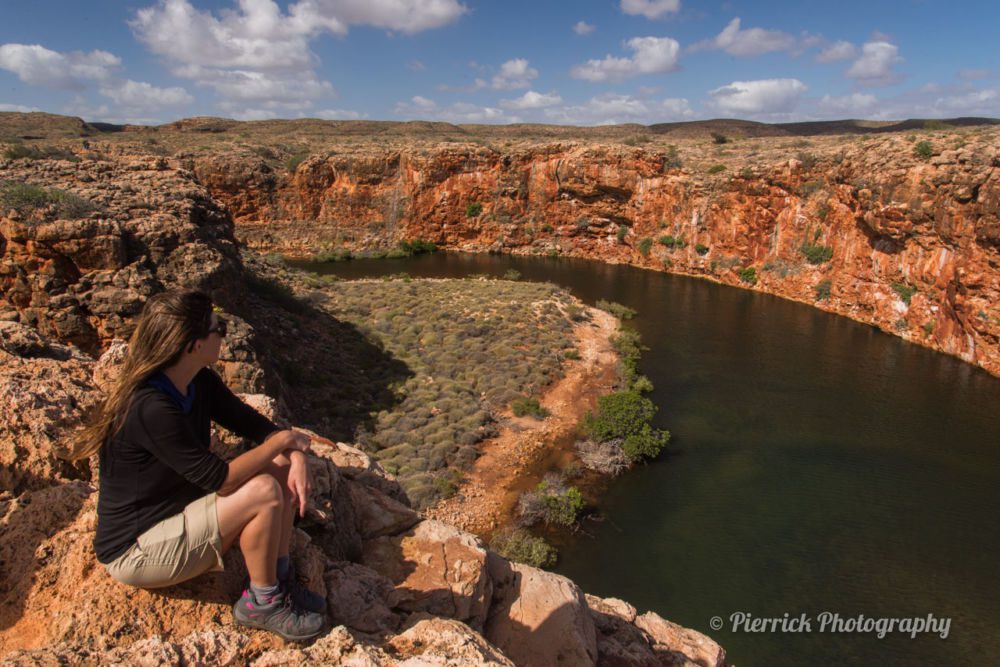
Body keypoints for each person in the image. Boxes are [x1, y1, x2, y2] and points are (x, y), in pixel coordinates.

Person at [74, 289, 326, 641]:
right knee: (265, 490)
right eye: (217, 327)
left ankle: (280, 579)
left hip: (178, 513)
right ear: (193, 345)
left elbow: (257, 427)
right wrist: (285, 442)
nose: (224, 333)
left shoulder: (197, 380)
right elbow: (219, 479)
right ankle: (262, 602)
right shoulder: (150, 407)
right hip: (138, 549)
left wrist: (293, 453)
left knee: (279, 468)